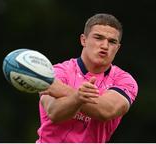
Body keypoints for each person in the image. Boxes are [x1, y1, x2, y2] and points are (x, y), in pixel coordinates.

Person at [36, 13, 138, 143]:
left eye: (112, 41)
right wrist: (78, 97)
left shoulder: (124, 80)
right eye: (98, 38)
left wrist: (70, 93)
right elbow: (54, 113)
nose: (105, 46)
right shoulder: (56, 72)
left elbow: (106, 111)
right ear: (83, 40)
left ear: (117, 48)